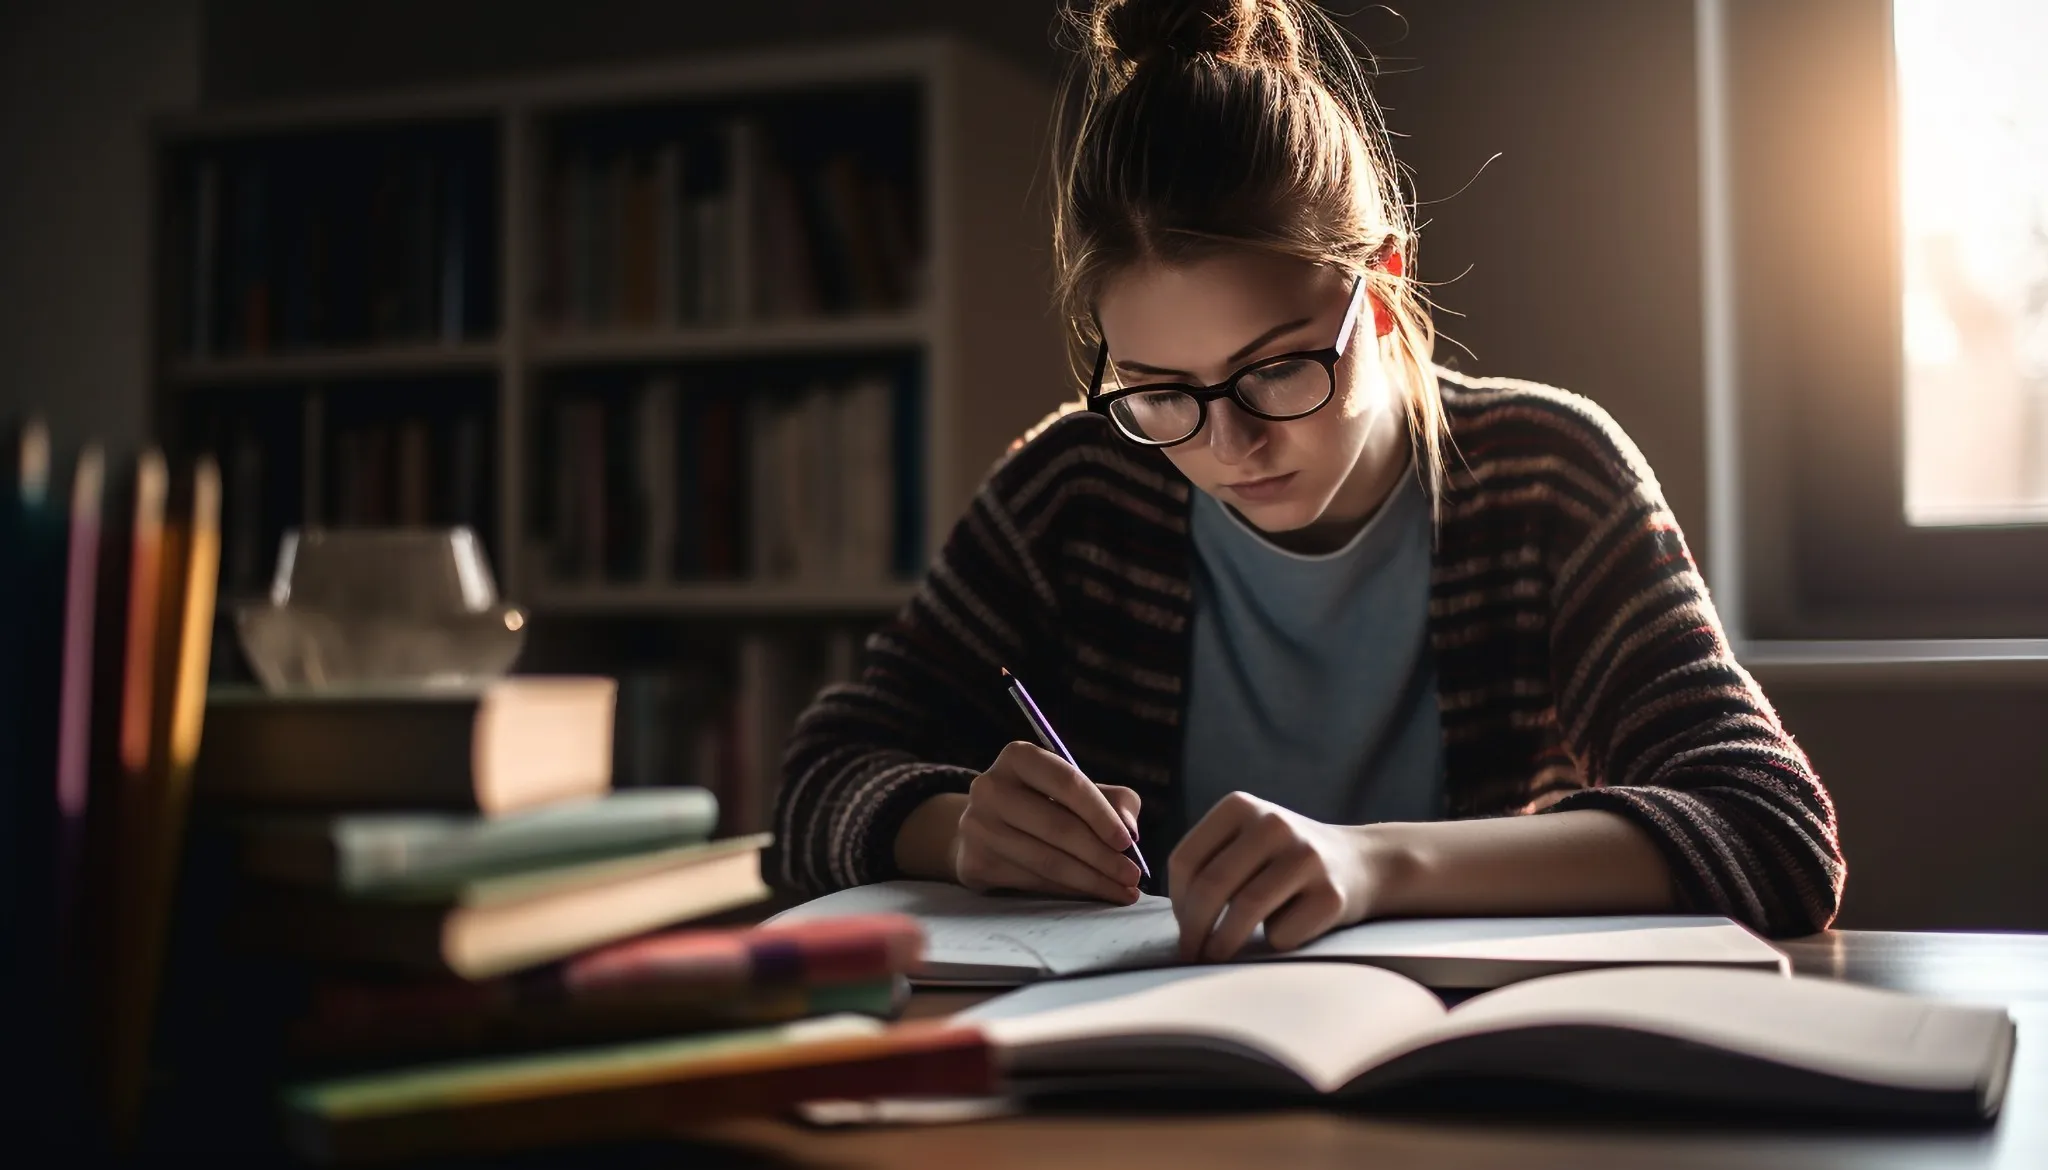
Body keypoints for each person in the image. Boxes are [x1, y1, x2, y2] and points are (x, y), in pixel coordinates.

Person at [771, 0, 1844, 960]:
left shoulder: (1548, 482)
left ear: (1380, 288)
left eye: (1278, 367)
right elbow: (814, 785)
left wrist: (1375, 868)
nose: (1228, 443)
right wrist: (957, 829)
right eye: (1159, 391)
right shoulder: (1074, 491)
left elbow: (1773, 833)